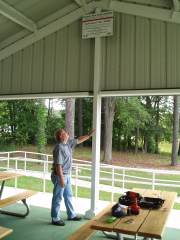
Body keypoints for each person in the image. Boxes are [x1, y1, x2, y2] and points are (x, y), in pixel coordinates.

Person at [51, 128, 95, 226]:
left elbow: (79, 139)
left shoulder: (68, 143)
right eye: (64, 133)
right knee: (58, 197)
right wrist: (62, 179)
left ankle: (71, 215)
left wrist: (89, 135)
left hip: (66, 175)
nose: (67, 133)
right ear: (61, 136)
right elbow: (58, 165)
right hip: (60, 175)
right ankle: (55, 218)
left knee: (68, 195)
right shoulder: (59, 148)